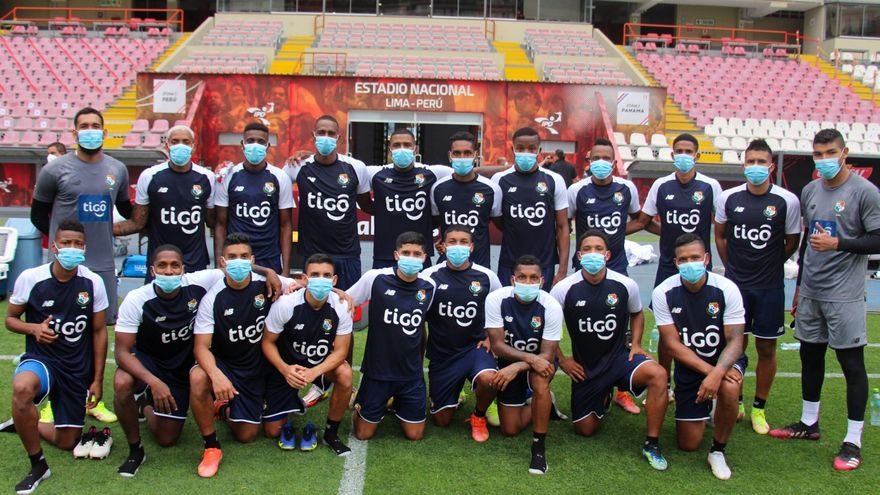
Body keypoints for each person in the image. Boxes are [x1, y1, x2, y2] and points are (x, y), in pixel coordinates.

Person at [112, 244, 281, 476]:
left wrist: (269, 272)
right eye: (162, 266)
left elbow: (236, 266)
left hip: (181, 366)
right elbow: (121, 353)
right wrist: (154, 382)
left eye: (174, 266)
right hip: (149, 363)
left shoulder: (199, 282)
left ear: (183, 269)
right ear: (152, 270)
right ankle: (135, 450)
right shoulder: (136, 299)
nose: (169, 271)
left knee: (167, 438)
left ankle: (145, 405)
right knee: (122, 382)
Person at [770, 129, 880, 471]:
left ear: (844, 153)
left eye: (830, 152)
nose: (824, 159)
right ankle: (809, 423)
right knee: (810, 356)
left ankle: (853, 441)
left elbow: (878, 239)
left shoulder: (865, 192)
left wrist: (839, 244)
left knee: (851, 364)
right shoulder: (810, 190)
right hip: (812, 291)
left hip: (845, 295)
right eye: (818, 154)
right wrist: (800, 286)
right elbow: (807, 241)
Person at [3, 220, 109, 494]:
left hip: (76, 368)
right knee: (22, 388)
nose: (72, 248)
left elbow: (99, 331)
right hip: (43, 360)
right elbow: (10, 320)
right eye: (66, 243)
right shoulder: (31, 278)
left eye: (77, 244)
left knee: (67, 441)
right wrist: (34, 328)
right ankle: (38, 465)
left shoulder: (93, 282)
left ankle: (27, 422)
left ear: (84, 248)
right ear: (54, 247)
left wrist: (97, 380)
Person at [551, 230, 670, 471]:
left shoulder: (625, 284)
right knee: (585, 430)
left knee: (658, 374)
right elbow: (548, 327)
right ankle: (603, 395)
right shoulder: (564, 289)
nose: (592, 253)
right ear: (579, 255)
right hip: (586, 367)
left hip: (619, 359)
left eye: (598, 249)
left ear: (607, 254)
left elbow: (637, 313)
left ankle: (652, 443)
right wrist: (562, 360)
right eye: (587, 249)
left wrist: (637, 344)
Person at [714, 139, 801, 435]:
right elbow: (721, 236)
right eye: (750, 161)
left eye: (761, 162)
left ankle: (758, 408)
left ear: (771, 166)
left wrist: (772, 264)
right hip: (736, 286)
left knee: (766, 347)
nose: (755, 167)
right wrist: (732, 267)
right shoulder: (728, 198)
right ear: (743, 164)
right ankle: (736, 400)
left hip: (769, 287)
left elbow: (791, 241)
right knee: (734, 344)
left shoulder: (787, 201)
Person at [189, 233, 294, 478]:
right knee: (245, 434)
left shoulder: (269, 283)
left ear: (252, 260)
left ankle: (261, 401)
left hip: (265, 365)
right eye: (232, 257)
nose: (239, 262)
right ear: (222, 262)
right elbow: (201, 347)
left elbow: (309, 284)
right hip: (232, 368)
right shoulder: (212, 297)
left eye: (244, 256)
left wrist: (339, 293)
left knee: (273, 430)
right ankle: (212, 444)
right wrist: (216, 376)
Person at [631, 133, 723, 397]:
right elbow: (644, 221)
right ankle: (666, 385)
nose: (683, 155)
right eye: (679, 151)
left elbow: (721, 223)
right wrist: (668, 233)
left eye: (688, 151)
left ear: (697, 155)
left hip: (699, 266)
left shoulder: (710, 186)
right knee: (666, 327)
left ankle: (704, 378)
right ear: (672, 155)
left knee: (703, 324)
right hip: (669, 266)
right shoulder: (661, 185)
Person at [651, 233, 746, 480]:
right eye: (683, 259)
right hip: (690, 365)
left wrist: (718, 373)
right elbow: (671, 344)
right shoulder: (664, 291)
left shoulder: (726, 288)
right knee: (688, 444)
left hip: (724, 360)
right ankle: (712, 408)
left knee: (730, 387)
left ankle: (718, 450)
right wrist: (710, 374)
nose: (689, 263)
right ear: (675, 263)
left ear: (706, 259)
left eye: (694, 257)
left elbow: (736, 341)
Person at [31, 107, 130, 327]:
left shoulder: (118, 169)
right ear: (75, 133)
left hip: (103, 263)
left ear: (104, 132)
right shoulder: (53, 170)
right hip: (64, 262)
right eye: (84, 126)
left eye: (95, 126)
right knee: (59, 323)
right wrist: (64, 244)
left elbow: (127, 211)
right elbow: (37, 215)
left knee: (101, 326)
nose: (90, 130)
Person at [346, 232, 436, 441]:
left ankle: (397, 402)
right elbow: (346, 300)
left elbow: (421, 325)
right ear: (396, 255)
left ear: (424, 257)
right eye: (406, 253)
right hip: (377, 372)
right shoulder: (375, 278)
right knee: (363, 434)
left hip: (410, 374)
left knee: (415, 435)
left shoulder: (429, 286)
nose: (411, 258)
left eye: (417, 254)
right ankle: (362, 403)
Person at [262, 253, 354, 456]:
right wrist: (284, 369)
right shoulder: (286, 304)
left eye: (326, 275)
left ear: (334, 280)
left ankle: (331, 433)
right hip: (287, 367)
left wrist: (314, 372)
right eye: (315, 275)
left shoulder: (341, 305)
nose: (321, 280)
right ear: (304, 278)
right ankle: (288, 400)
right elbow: (267, 342)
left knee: (345, 374)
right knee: (272, 431)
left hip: (318, 365)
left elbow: (341, 351)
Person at [421, 225, 502, 440]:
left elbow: (502, 309)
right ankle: (453, 392)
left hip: (474, 348)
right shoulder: (429, 276)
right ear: (443, 246)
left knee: (489, 379)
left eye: (463, 242)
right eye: (453, 241)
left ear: (472, 247)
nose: (458, 246)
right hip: (443, 354)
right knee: (442, 421)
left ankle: (479, 414)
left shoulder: (487, 276)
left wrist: (490, 338)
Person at [484, 255, 562, 475]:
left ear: (542, 281)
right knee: (510, 429)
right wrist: (526, 360)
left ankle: (538, 448)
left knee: (540, 381)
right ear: (513, 279)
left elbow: (547, 355)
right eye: (522, 277)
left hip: (539, 364)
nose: (528, 282)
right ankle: (544, 404)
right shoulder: (496, 299)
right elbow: (497, 346)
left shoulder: (551, 306)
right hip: (511, 361)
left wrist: (519, 366)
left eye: (533, 278)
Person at [113, 125, 216, 281]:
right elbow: (137, 223)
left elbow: (213, 221)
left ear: (193, 146)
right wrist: (100, 229)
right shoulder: (149, 176)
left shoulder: (207, 177)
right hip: (159, 263)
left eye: (186, 142)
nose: (180, 145)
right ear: (167, 145)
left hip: (195, 262)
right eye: (175, 141)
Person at [286, 115, 372, 289]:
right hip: (313, 255)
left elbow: (366, 205)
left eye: (331, 133)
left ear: (338, 137)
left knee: (347, 303)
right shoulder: (297, 166)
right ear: (314, 135)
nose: (326, 137)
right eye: (321, 132)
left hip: (347, 254)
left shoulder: (356, 167)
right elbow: (275, 190)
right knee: (315, 303)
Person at [492, 127, 569, 289]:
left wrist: (562, 270)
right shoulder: (499, 180)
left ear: (539, 151)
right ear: (512, 149)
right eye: (520, 148)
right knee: (507, 303)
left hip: (544, 263)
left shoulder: (554, 180)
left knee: (541, 305)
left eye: (531, 148)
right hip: (509, 262)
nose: (526, 153)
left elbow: (562, 227)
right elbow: (498, 220)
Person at [214, 122, 293, 275]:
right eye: (250, 141)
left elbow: (286, 225)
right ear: (242, 144)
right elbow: (220, 224)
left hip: (269, 258)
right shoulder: (228, 176)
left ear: (268, 146)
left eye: (261, 142)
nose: (255, 145)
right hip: (237, 258)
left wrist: (286, 270)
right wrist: (219, 265)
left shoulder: (280, 177)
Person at [367, 128, 451, 269]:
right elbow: (362, 199)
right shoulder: (375, 174)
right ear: (389, 149)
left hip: (420, 254)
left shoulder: (434, 173)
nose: (402, 149)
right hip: (385, 254)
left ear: (415, 149)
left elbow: (469, 175)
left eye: (407, 145)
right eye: (397, 145)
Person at [431, 131, 502, 267]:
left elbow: (499, 223)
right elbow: (435, 221)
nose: (462, 158)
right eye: (457, 153)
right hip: (446, 264)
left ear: (475, 155)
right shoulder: (438, 188)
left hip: (479, 264)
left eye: (467, 153)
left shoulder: (492, 189)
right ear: (450, 155)